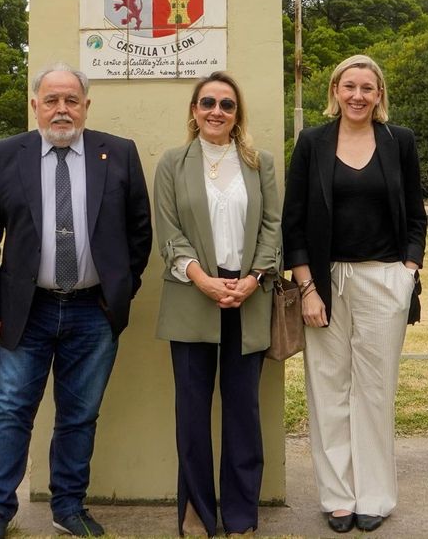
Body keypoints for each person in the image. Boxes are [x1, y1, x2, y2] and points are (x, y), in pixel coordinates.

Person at [0, 63, 153, 539]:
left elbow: (139, 232)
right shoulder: (6, 154)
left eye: (71, 100)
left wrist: (119, 291)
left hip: (94, 312)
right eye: (51, 100)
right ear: (35, 105)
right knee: (11, 410)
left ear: (86, 106)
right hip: (25, 311)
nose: (62, 109)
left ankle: (68, 506)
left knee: (79, 414)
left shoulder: (119, 153)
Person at [282, 54, 426, 534]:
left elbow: (416, 215)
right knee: (328, 390)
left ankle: (375, 497)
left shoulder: (399, 141)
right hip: (323, 283)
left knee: (375, 392)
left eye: (367, 87)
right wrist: (307, 287)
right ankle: (338, 497)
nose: (358, 95)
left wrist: (407, 272)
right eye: (349, 86)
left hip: (384, 280)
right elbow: (293, 221)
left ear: (379, 94)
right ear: (335, 91)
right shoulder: (312, 142)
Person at [154, 72, 282, 537]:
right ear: (194, 109)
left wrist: (253, 278)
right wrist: (203, 280)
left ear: (237, 114)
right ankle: (196, 508)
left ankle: (241, 513)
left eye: (227, 105)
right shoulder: (172, 163)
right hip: (193, 296)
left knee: (243, 411)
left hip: (248, 298)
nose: (216, 111)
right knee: (192, 412)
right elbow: (169, 233)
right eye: (208, 102)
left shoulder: (259, 163)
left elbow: (273, 227)